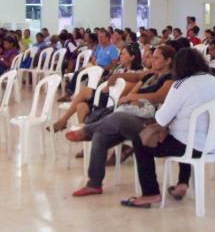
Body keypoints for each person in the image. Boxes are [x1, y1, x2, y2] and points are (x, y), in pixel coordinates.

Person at [119, 47, 215, 208]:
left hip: (190, 145)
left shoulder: (181, 85)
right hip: (212, 144)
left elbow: (161, 118)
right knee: (184, 133)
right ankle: (182, 183)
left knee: (140, 142)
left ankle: (150, 193)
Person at [65, 45, 176, 197]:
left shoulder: (169, 79)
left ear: (168, 61)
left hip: (149, 123)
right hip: (131, 116)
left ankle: (86, 130)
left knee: (116, 117)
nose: (152, 60)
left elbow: (159, 97)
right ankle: (94, 184)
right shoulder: (151, 75)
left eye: (157, 58)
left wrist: (132, 97)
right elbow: (136, 77)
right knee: (100, 136)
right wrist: (117, 76)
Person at [52, 43, 144, 132]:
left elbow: (121, 93)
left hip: (113, 101)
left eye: (124, 54)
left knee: (85, 91)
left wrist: (107, 87)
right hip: (106, 96)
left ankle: (63, 120)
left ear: (132, 57)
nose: (120, 56)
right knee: (81, 106)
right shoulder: (120, 69)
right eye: (121, 53)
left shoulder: (136, 75)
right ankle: (87, 142)